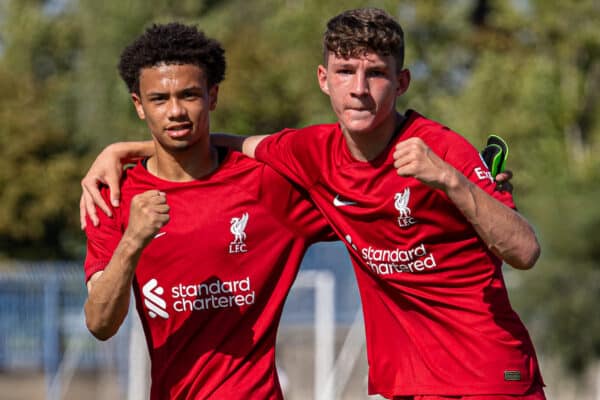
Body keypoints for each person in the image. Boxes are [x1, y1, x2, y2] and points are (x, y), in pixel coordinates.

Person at [81, 8, 545, 399]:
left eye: (376, 73)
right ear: (325, 79)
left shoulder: (436, 152)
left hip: (488, 377)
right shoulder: (307, 157)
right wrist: (127, 155)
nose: (359, 88)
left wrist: (457, 183)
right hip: (408, 383)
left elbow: (524, 250)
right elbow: (101, 324)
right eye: (346, 72)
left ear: (400, 81)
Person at [82, 22, 335, 400]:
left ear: (212, 96)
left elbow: (348, 170)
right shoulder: (114, 196)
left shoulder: (268, 185)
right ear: (138, 105)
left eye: (189, 95)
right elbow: (100, 324)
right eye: (159, 99)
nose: (176, 111)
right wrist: (133, 240)